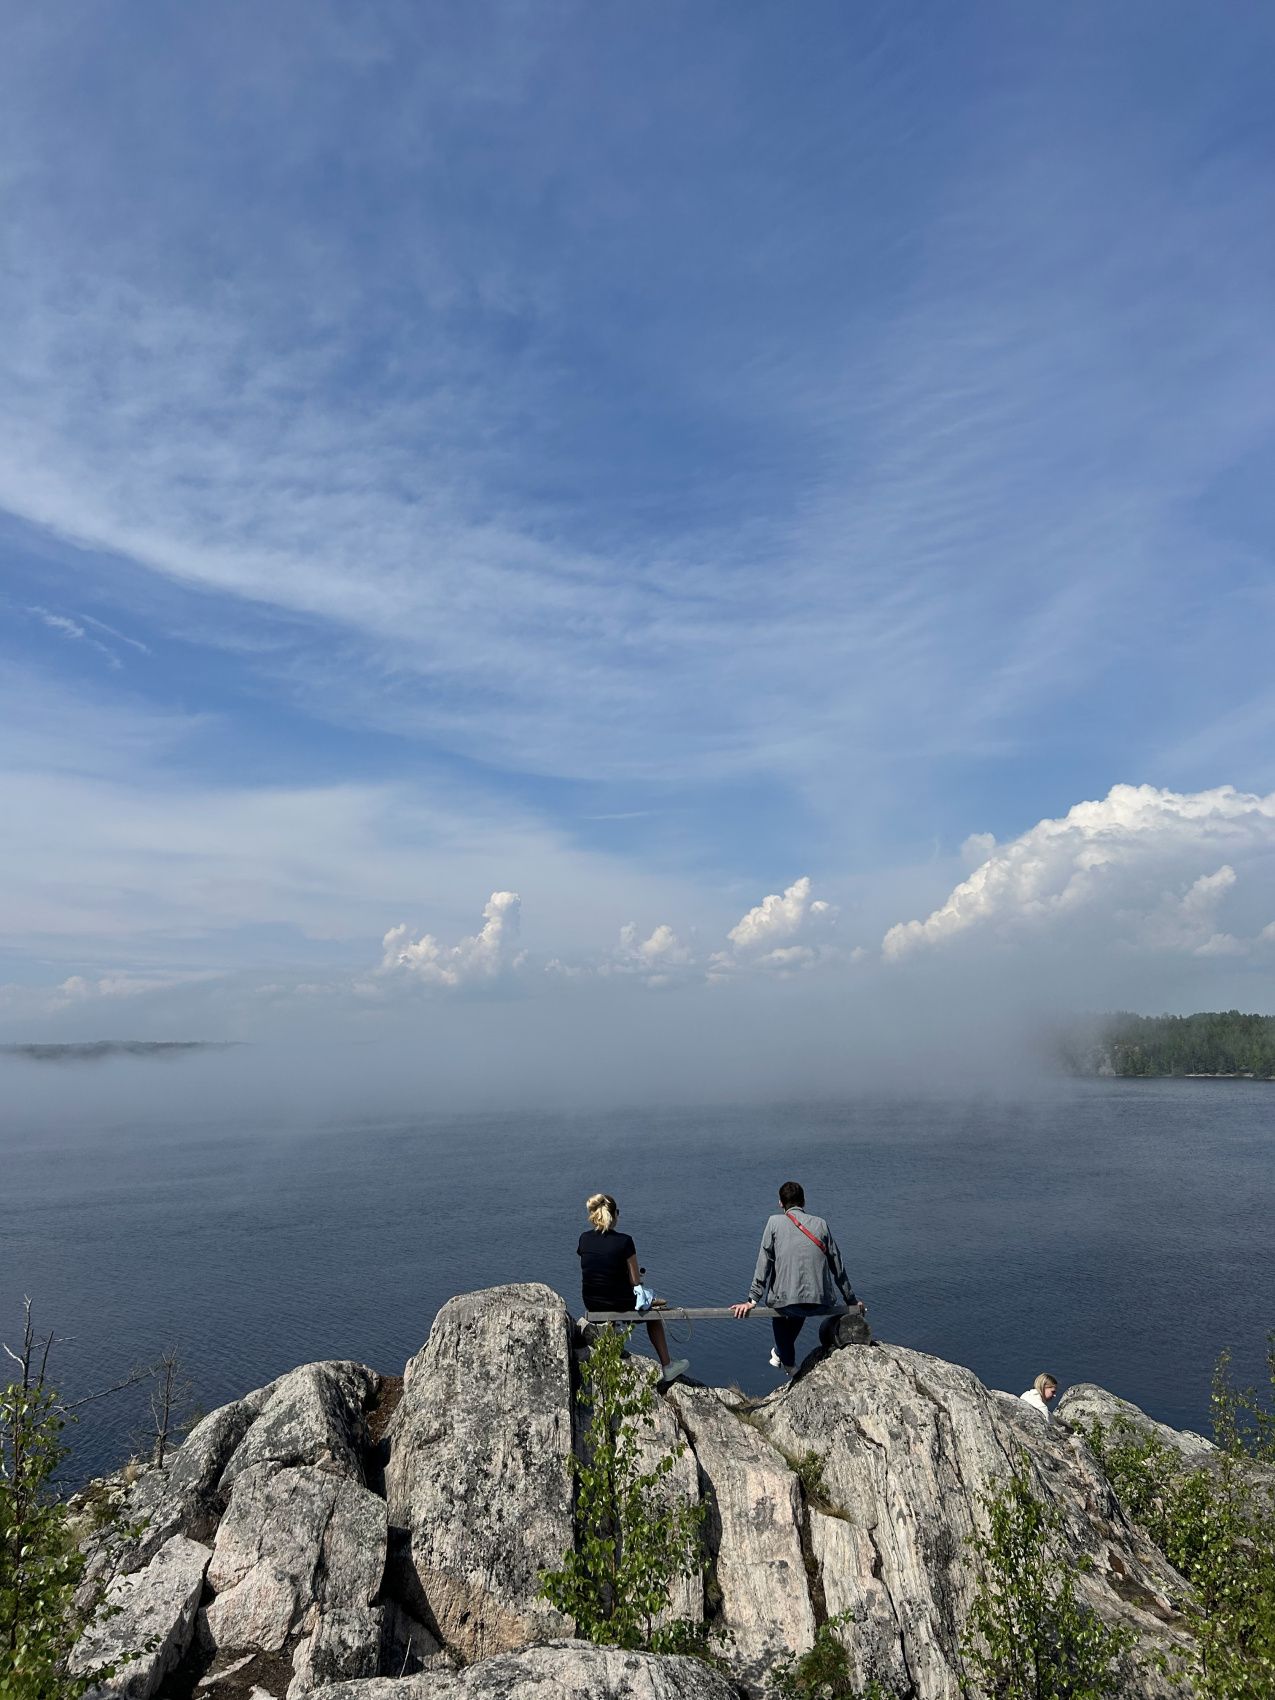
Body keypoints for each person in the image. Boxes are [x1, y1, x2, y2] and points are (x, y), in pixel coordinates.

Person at [731, 1181, 863, 1376]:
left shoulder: (774, 1223)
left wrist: (752, 1300)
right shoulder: (821, 1224)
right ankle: (779, 1353)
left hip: (786, 1304)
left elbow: (764, 1263)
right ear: (804, 1201)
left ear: (780, 1203)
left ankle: (788, 1362)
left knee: (782, 1311)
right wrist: (851, 1300)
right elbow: (838, 1266)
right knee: (799, 1305)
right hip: (820, 1302)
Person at [577, 1192, 689, 1386]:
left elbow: (595, 1269)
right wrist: (635, 1279)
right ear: (614, 1215)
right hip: (617, 1301)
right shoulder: (625, 1241)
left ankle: (611, 1349)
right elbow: (635, 1281)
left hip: (592, 1301)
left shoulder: (584, 1239)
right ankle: (668, 1365)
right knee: (652, 1315)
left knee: (615, 1298)